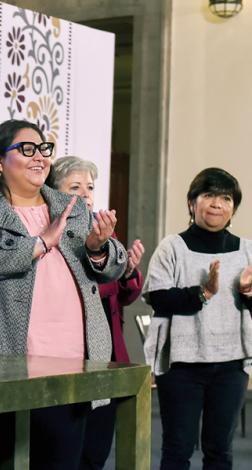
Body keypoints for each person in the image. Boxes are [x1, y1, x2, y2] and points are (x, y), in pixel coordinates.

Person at [0, 119, 127, 469]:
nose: (39, 157)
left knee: (61, 459)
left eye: (44, 149)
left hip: (72, 359)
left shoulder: (70, 206)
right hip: (5, 359)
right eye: (26, 149)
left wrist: (98, 248)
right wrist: (38, 245)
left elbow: (114, 264)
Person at [142, 167, 252, 470]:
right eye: (209, 195)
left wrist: (248, 293)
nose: (217, 203)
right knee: (178, 448)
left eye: (226, 198)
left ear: (234, 208)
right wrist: (203, 292)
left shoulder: (246, 251)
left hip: (231, 365)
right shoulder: (172, 247)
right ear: (192, 203)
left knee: (220, 450)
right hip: (182, 365)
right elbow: (158, 297)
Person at [47, 155, 144, 469]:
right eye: (75, 187)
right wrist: (103, 266)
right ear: (53, 191)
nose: (86, 194)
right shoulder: (51, 235)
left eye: (89, 186)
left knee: (97, 452)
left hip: (109, 355)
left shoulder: (103, 232)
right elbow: (86, 291)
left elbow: (124, 297)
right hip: (70, 359)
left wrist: (127, 270)